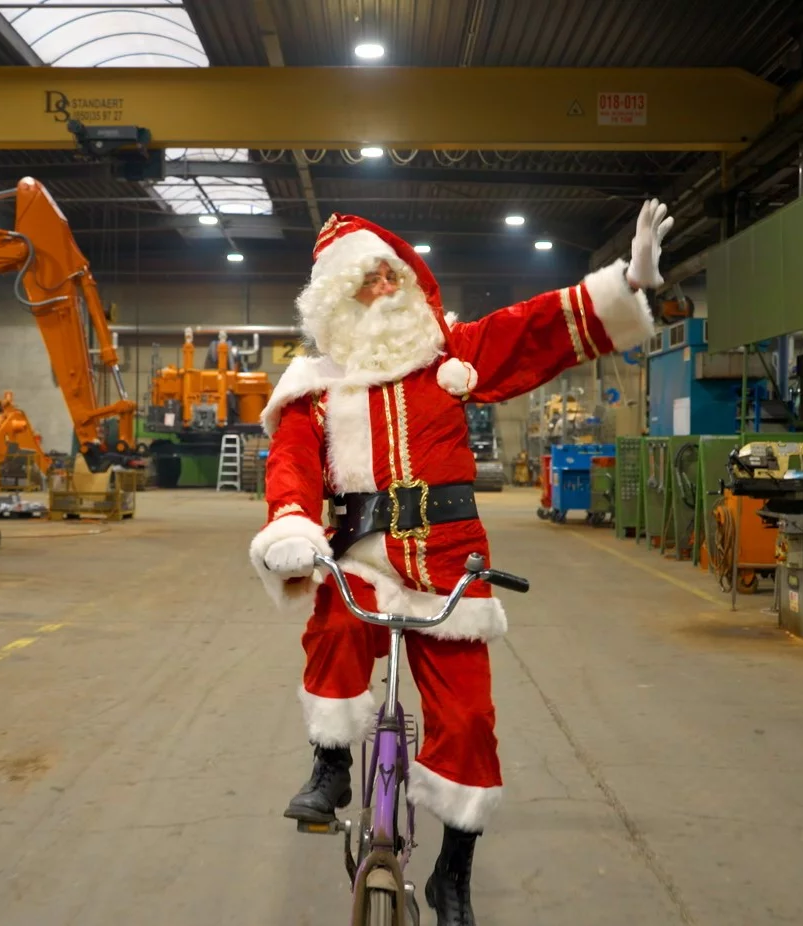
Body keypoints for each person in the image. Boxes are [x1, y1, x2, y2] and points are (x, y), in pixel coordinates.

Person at [249, 202, 673, 925]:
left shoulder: (449, 351)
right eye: (368, 280)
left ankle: (453, 875)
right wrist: (291, 522)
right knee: (335, 627)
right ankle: (330, 764)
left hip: (452, 564)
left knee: (469, 719)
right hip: (364, 554)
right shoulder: (313, 388)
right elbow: (290, 463)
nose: (386, 288)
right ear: (340, 299)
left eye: (392, 274)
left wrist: (626, 284)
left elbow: (533, 328)